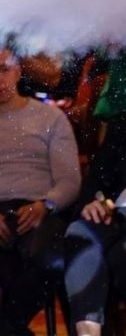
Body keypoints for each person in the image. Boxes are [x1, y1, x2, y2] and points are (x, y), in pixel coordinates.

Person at [0, 40, 81, 336]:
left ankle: (0, 328)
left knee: (53, 259)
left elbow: (69, 181)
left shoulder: (51, 118)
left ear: (19, 71)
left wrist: (46, 205)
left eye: (4, 69)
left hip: (38, 209)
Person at [64, 111, 126, 336]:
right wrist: (92, 202)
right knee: (80, 233)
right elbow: (95, 181)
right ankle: (88, 330)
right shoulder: (122, 124)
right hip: (116, 214)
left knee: (119, 257)